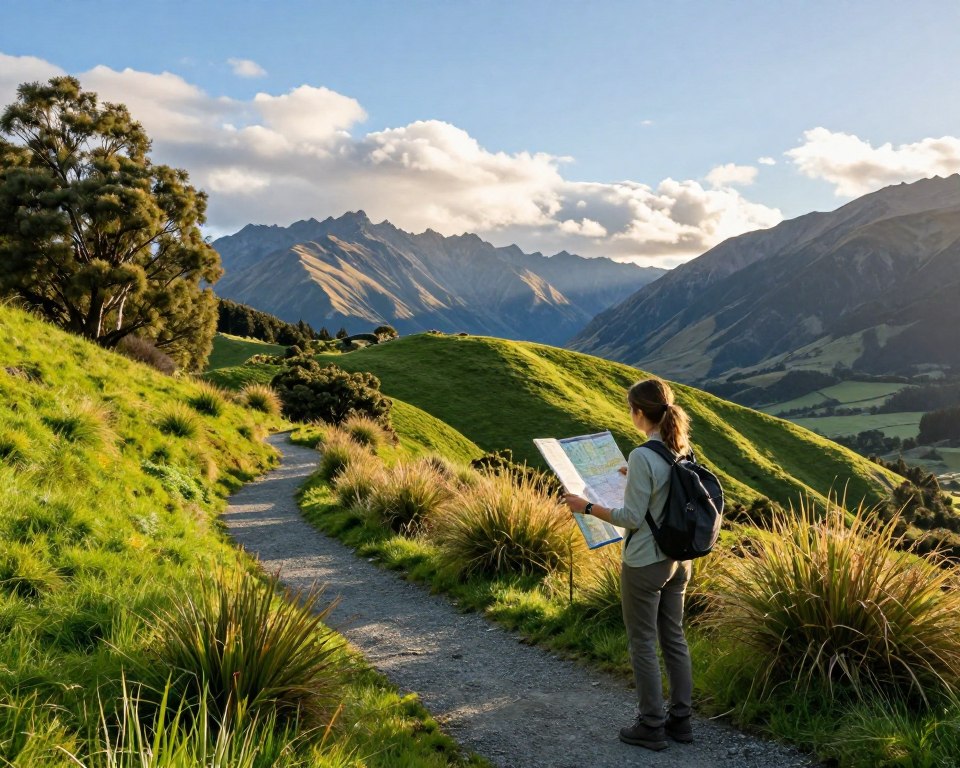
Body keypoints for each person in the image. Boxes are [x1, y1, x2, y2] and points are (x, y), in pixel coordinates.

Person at [562, 377, 694, 751]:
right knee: (674, 638)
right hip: (680, 561)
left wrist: (586, 507)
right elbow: (665, 491)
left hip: (646, 562)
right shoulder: (680, 448)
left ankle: (651, 725)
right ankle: (680, 721)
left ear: (638, 413)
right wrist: (630, 477)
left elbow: (632, 517)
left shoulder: (642, 455)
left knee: (642, 641)